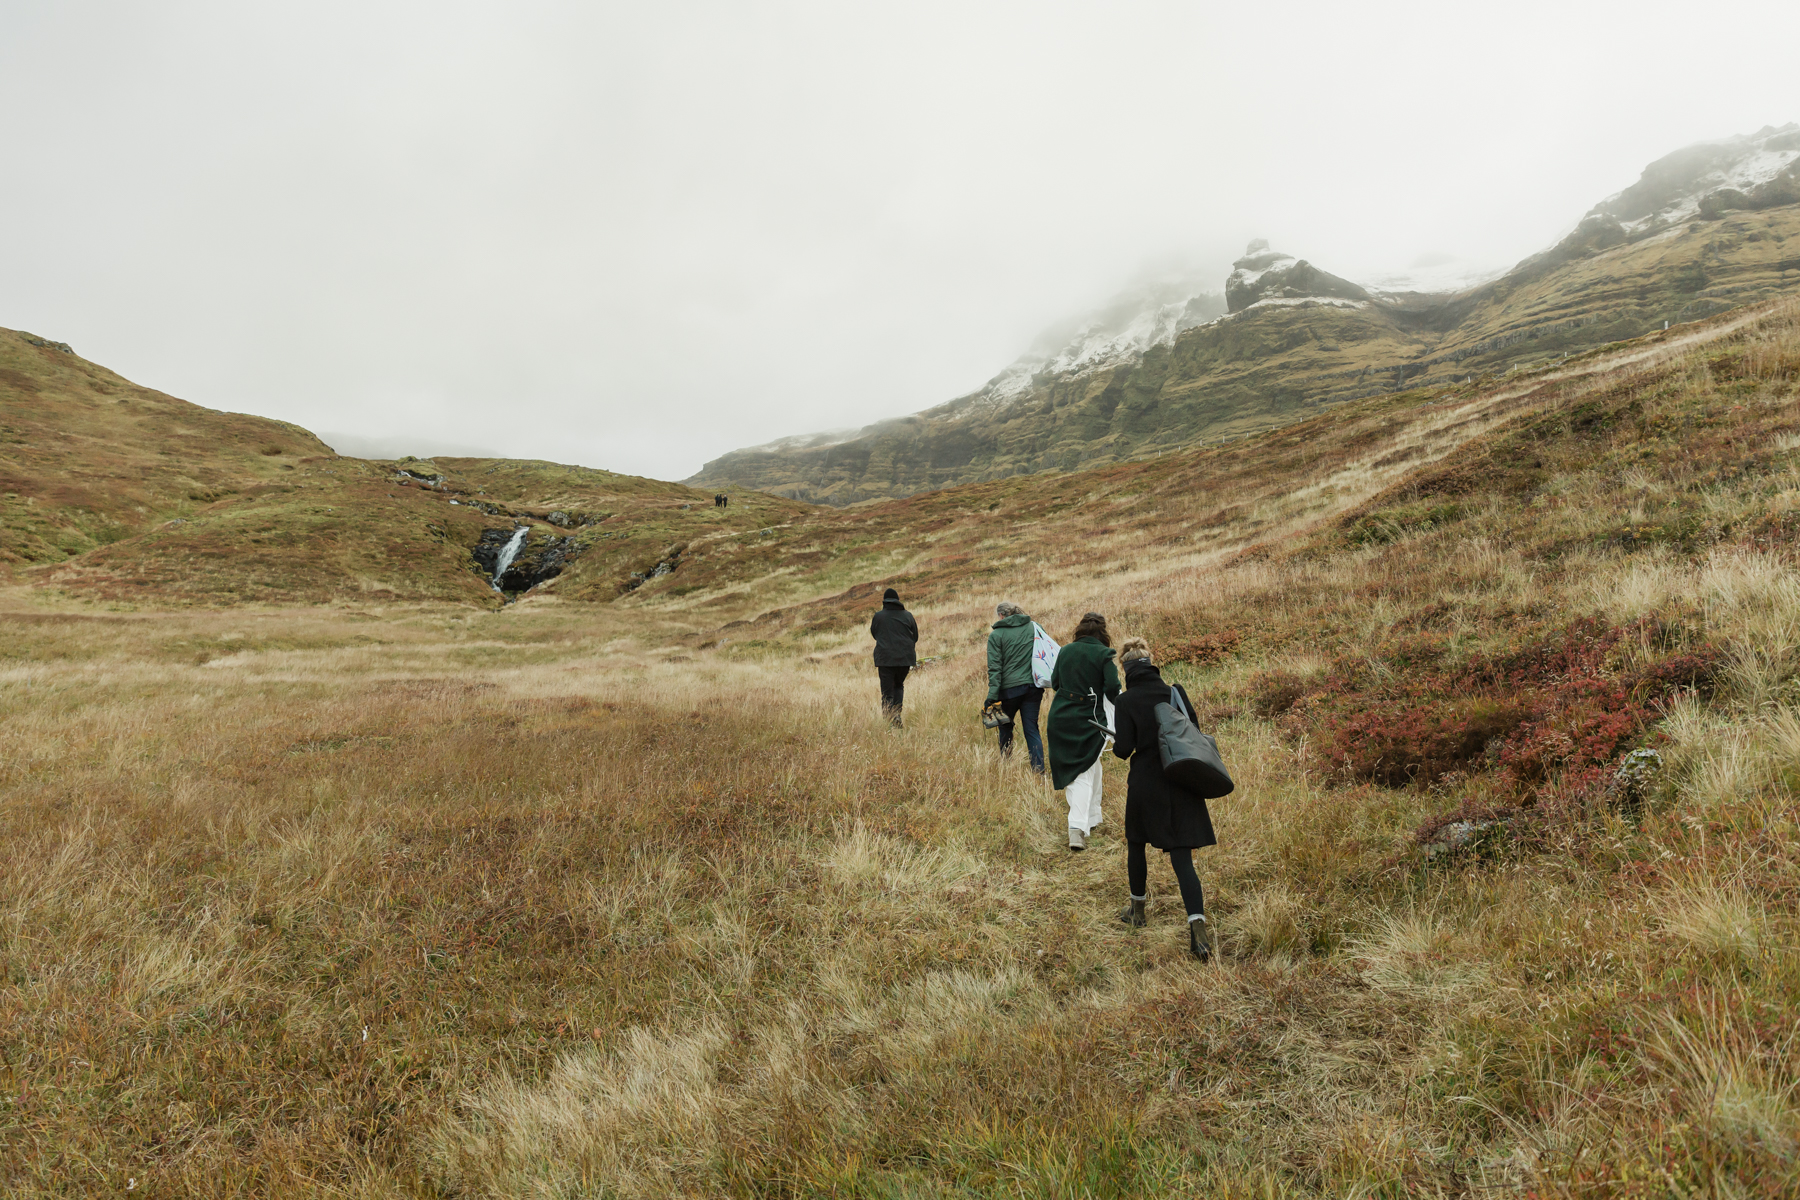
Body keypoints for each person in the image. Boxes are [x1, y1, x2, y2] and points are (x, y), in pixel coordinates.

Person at [1110, 637, 1217, 962]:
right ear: (1151, 662)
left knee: (1136, 844)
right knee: (1182, 858)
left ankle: (1137, 911)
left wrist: (1118, 736)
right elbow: (1194, 729)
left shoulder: (1126, 701)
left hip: (1146, 785)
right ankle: (1197, 931)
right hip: (1181, 779)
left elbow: (1122, 750)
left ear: (1126, 669)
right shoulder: (1175, 692)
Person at [1046, 611, 1120, 851]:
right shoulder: (1104, 654)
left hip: (1060, 717)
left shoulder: (1065, 650)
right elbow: (1112, 689)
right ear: (1103, 632)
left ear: (1080, 630)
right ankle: (1076, 828)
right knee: (1082, 772)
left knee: (1091, 765)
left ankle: (1092, 817)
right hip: (1089, 719)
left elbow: (1055, 682)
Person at [984, 601, 1044, 773]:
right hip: (1033, 687)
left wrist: (991, 696)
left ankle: (1006, 764)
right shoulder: (1034, 627)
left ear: (1001, 616)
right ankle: (1038, 769)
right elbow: (1044, 652)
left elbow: (995, 669)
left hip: (1008, 691)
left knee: (1005, 727)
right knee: (1031, 729)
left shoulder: (996, 636)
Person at [869, 587, 918, 727]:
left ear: (884, 601)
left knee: (887, 691)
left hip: (885, 659)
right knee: (898, 685)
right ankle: (896, 715)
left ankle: (888, 722)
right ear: (898, 600)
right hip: (904, 659)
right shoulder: (908, 615)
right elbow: (915, 637)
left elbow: (874, 634)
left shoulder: (878, 616)